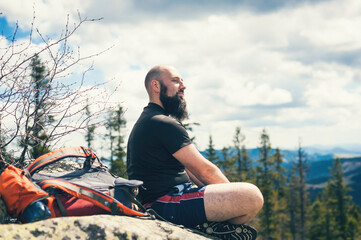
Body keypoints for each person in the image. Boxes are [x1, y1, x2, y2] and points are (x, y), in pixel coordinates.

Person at [127, 65, 263, 239]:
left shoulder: (151, 119)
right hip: (164, 204)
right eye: (176, 81)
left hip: (168, 200)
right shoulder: (161, 122)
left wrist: (225, 198)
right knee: (251, 196)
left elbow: (190, 171)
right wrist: (234, 199)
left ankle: (213, 228)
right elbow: (205, 171)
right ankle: (215, 229)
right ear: (156, 86)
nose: (183, 86)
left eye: (182, 81)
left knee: (242, 197)